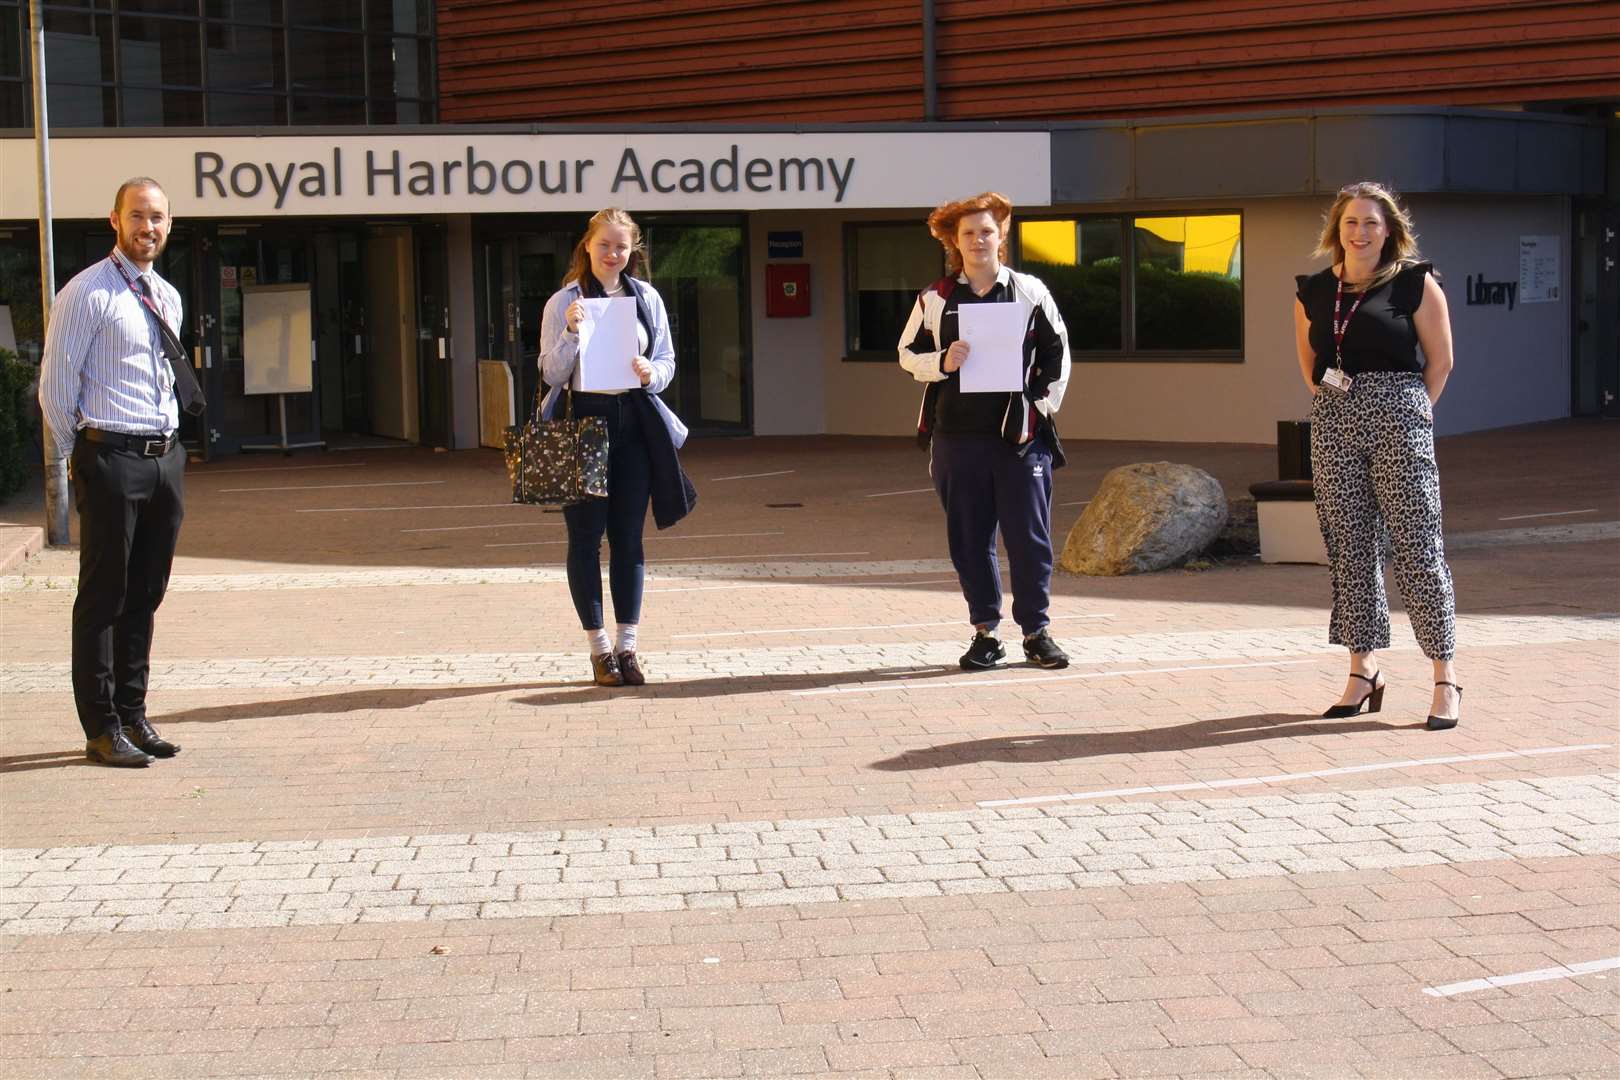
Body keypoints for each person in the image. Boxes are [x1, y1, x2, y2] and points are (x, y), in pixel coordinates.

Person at [38, 177, 202, 766]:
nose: (147, 228)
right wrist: (79, 461)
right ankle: (101, 728)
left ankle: (134, 715)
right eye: (137, 216)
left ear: (169, 223)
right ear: (115, 220)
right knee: (104, 595)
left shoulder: (168, 296)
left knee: (146, 593)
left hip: (165, 460)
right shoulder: (88, 293)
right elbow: (56, 387)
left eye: (157, 217)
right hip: (110, 459)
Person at [1293, 181, 1462, 730]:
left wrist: (1411, 414)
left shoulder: (1415, 283)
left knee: (1418, 546)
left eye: (1371, 222)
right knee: (1349, 550)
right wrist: (1340, 407)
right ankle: (1363, 671)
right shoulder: (1313, 290)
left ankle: (1444, 677)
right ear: (1335, 230)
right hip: (1336, 421)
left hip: (1399, 415)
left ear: (1389, 230)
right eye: (1350, 223)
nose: (1360, 232)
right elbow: (1310, 365)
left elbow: (1440, 362)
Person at [898, 191, 1073, 672]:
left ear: (1002, 237)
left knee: (1029, 539)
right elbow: (906, 354)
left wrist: (1034, 410)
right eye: (968, 232)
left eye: (987, 231)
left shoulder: (1030, 292)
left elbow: (1058, 359)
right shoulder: (935, 298)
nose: (978, 240)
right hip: (956, 439)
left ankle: (1036, 633)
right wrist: (941, 361)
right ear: (955, 241)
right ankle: (985, 633)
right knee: (970, 539)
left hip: (1020, 442)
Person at [538, 208, 695, 687]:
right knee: (586, 539)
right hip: (584, 422)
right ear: (587, 246)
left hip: (633, 422)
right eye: (604, 245)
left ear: (633, 251)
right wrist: (569, 331)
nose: (612, 254)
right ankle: (599, 650)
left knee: (629, 537)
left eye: (621, 247)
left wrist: (652, 371)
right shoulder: (563, 300)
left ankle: (628, 649)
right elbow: (549, 373)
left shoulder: (646, 297)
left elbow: (667, 359)